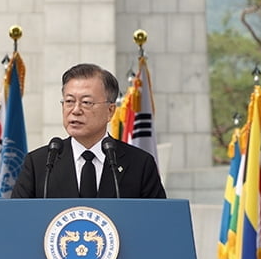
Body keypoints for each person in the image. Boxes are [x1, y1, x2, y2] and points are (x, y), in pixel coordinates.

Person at [11, 63, 166, 199]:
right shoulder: (39, 163)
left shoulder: (140, 164)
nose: (76, 110)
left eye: (86, 102)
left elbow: (158, 223)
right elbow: (17, 222)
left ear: (110, 111)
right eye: (69, 101)